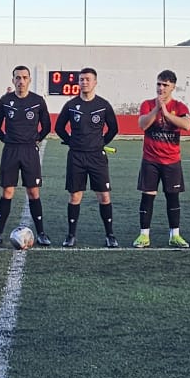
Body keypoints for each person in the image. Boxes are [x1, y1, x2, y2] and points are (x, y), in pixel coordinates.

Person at [54, 67, 120, 247]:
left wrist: (101, 143)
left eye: (87, 79)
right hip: (76, 156)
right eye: (81, 79)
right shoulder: (71, 105)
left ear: (95, 82)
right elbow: (59, 128)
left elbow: (113, 129)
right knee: (75, 196)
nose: (84, 82)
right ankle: (71, 235)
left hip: (97, 157)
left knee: (104, 196)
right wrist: (70, 142)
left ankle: (110, 235)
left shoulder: (103, 105)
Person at [0, 66, 51, 246]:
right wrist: (7, 140)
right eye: (17, 78)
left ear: (29, 80)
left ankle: (41, 233)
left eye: (24, 78)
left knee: (33, 191)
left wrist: (36, 139)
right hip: (11, 150)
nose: (21, 81)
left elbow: (46, 126)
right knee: (7, 191)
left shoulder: (38, 101)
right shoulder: (5, 100)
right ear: (13, 80)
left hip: (30, 150)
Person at [134, 70, 190, 248]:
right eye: (159, 84)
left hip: (172, 160)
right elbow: (143, 124)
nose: (161, 88)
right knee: (148, 196)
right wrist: (156, 109)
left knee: (173, 197)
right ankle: (144, 235)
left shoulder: (180, 107)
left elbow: (187, 125)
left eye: (165, 85)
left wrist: (166, 113)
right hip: (150, 160)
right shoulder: (147, 104)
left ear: (173, 87)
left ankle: (175, 234)